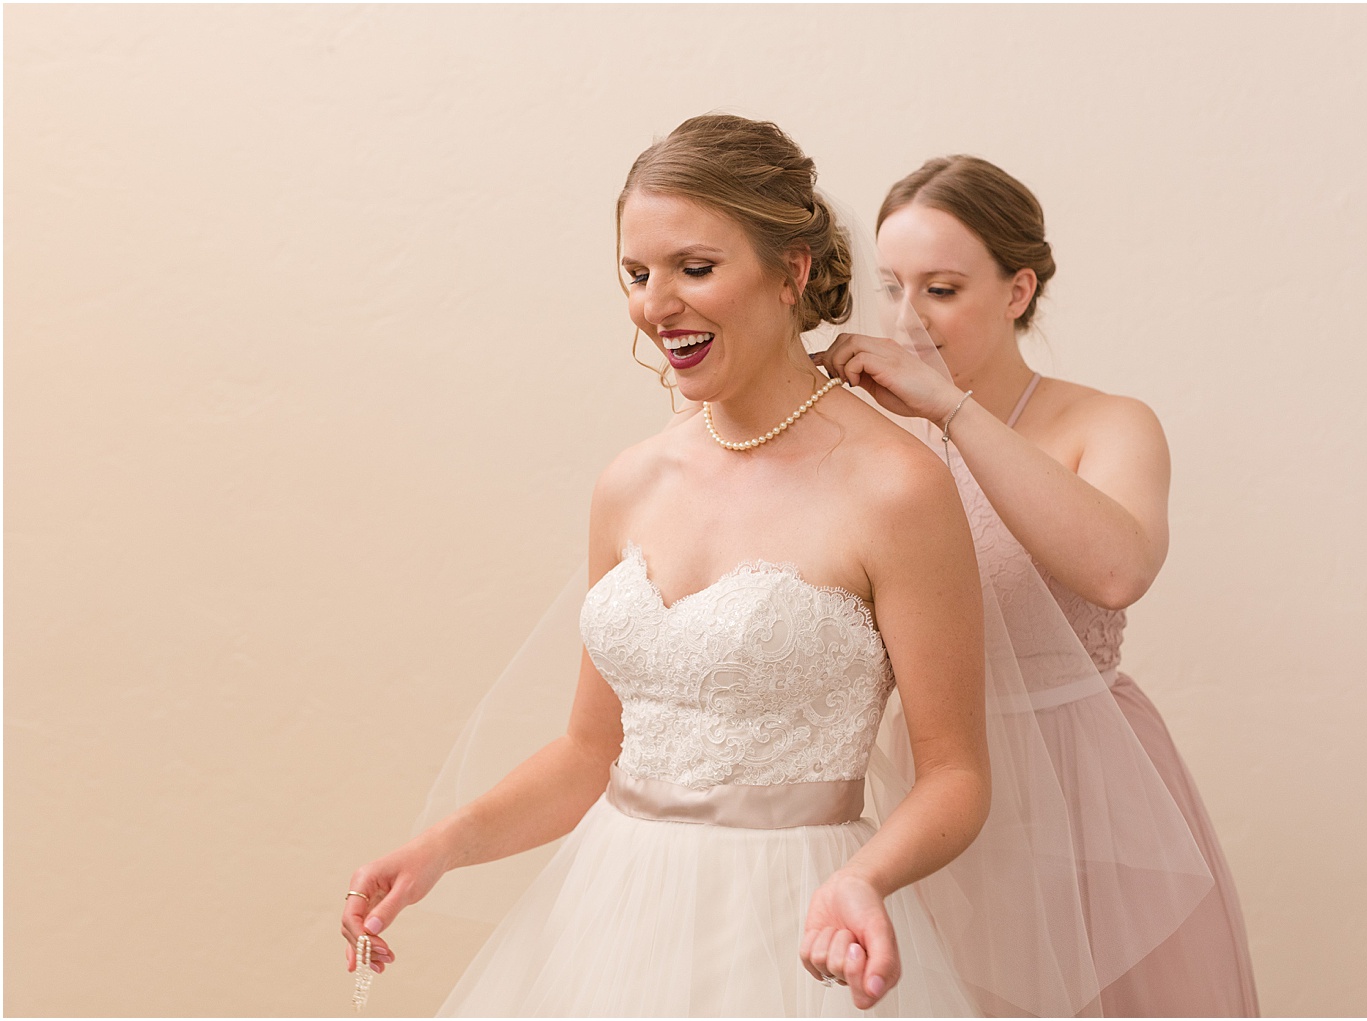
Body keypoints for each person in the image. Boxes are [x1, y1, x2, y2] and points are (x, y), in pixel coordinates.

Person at [339, 116, 991, 1017]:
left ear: (791, 271)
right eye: (636, 275)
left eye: (694, 268)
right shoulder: (630, 482)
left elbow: (957, 773)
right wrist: (440, 846)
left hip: (796, 920)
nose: (655, 305)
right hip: (609, 918)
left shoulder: (897, 487)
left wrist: (862, 879)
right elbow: (588, 752)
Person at [815, 155, 1260, 1017]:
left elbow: (1117, 568)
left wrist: (950, 409)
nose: (907, 318)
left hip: (1086, 784)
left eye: (941, 289)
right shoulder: (866, 442)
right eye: (892, 287)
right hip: (929, 794)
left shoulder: (1108, 422)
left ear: (1018, 291)